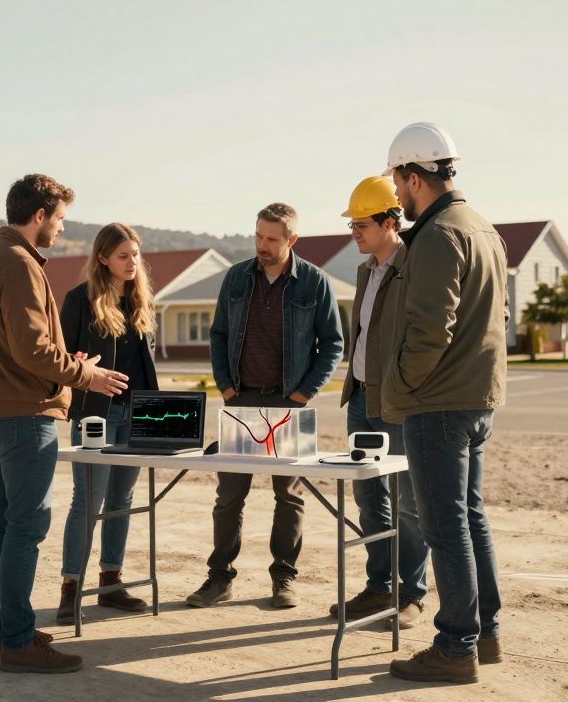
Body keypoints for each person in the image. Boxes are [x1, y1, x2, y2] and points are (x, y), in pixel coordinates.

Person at [0, 173, 130, 674]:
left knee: (2, 519)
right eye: (58, 219)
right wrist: (87, 374)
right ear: (38, 216)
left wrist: (65, 361)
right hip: (22, 414)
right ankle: (16, 642)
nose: (60, 228)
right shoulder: (18, 264)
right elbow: (31, 350)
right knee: (27, 525)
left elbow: (18, 347)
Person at [378, 123, 509, 684]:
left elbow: (430, 328)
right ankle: (487, 631)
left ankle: (457, 646)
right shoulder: (484, 229)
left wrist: (402, 386)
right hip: (478, 398)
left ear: (414, 176)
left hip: (438, 403)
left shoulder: (435, 236)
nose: (397, 197)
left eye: (398, 184)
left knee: (444, 524)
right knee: (469, 517)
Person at [186, 202, 343, 610]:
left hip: (290, 401)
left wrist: (303, 394)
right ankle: (219, 578)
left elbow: (333, 345)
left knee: (288, 497)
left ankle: (283, 579)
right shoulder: (236, 277)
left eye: (272, 238)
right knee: (229, 497)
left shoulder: (314, 282)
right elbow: (218, 335)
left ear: (291, 239)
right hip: (241, 398)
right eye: (258, 235)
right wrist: (227, 389)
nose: (262, 244)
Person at [331, 176, 430, 629]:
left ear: (391, 222)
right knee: (369, 497)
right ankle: (379, 587)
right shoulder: (365, 269)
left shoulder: (416, 266)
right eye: (351, 224)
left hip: (402, 405)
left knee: (409, 504)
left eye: (362, 224)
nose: (355, 232)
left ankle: (411, 595)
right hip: (362, 401)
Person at [56, 223, 160, 623]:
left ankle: (111, 583)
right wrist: (79, 366)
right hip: (94, 415)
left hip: (137, 416)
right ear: (102, 258)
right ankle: (71, 587)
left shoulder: (141, 301)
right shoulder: (79, 300)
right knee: (87, 502)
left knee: (122, 501)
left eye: (135, 254)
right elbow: (62, 359)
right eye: (123, 255)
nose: (132, 262)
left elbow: (147, 366)